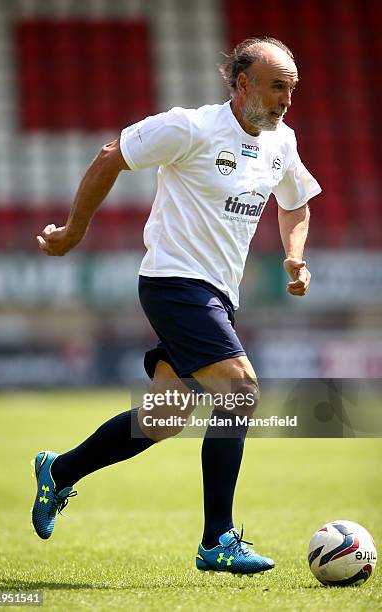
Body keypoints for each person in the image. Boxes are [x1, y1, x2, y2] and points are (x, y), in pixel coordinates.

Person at [32, 36, 321, 575]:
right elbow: (110, 156)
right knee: (241, 391)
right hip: (174, 282)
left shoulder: (282, 141)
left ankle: (60, 470)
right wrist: (73, 231)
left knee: (164, 416)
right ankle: (218, 539)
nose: (286, 99)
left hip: (217, 294)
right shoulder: (190, 127)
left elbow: (295, 204)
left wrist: (293, 258)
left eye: (293, 89)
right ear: (242, 83)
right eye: (277, 86)